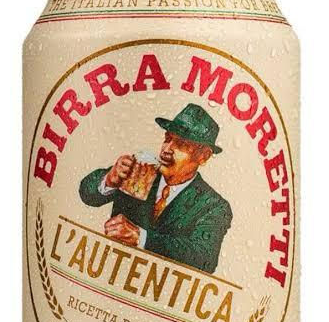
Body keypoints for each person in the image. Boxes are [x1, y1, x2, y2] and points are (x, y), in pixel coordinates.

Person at [79, 103, 232, 274]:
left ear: (204, 156)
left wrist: (141, 238)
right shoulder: (141, 171)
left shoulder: (213, 205)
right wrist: (109, 180)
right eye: (167, 139)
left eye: (181, 144)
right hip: (107, 272)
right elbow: (87, 194)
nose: (166, 150)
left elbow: (204, 257)